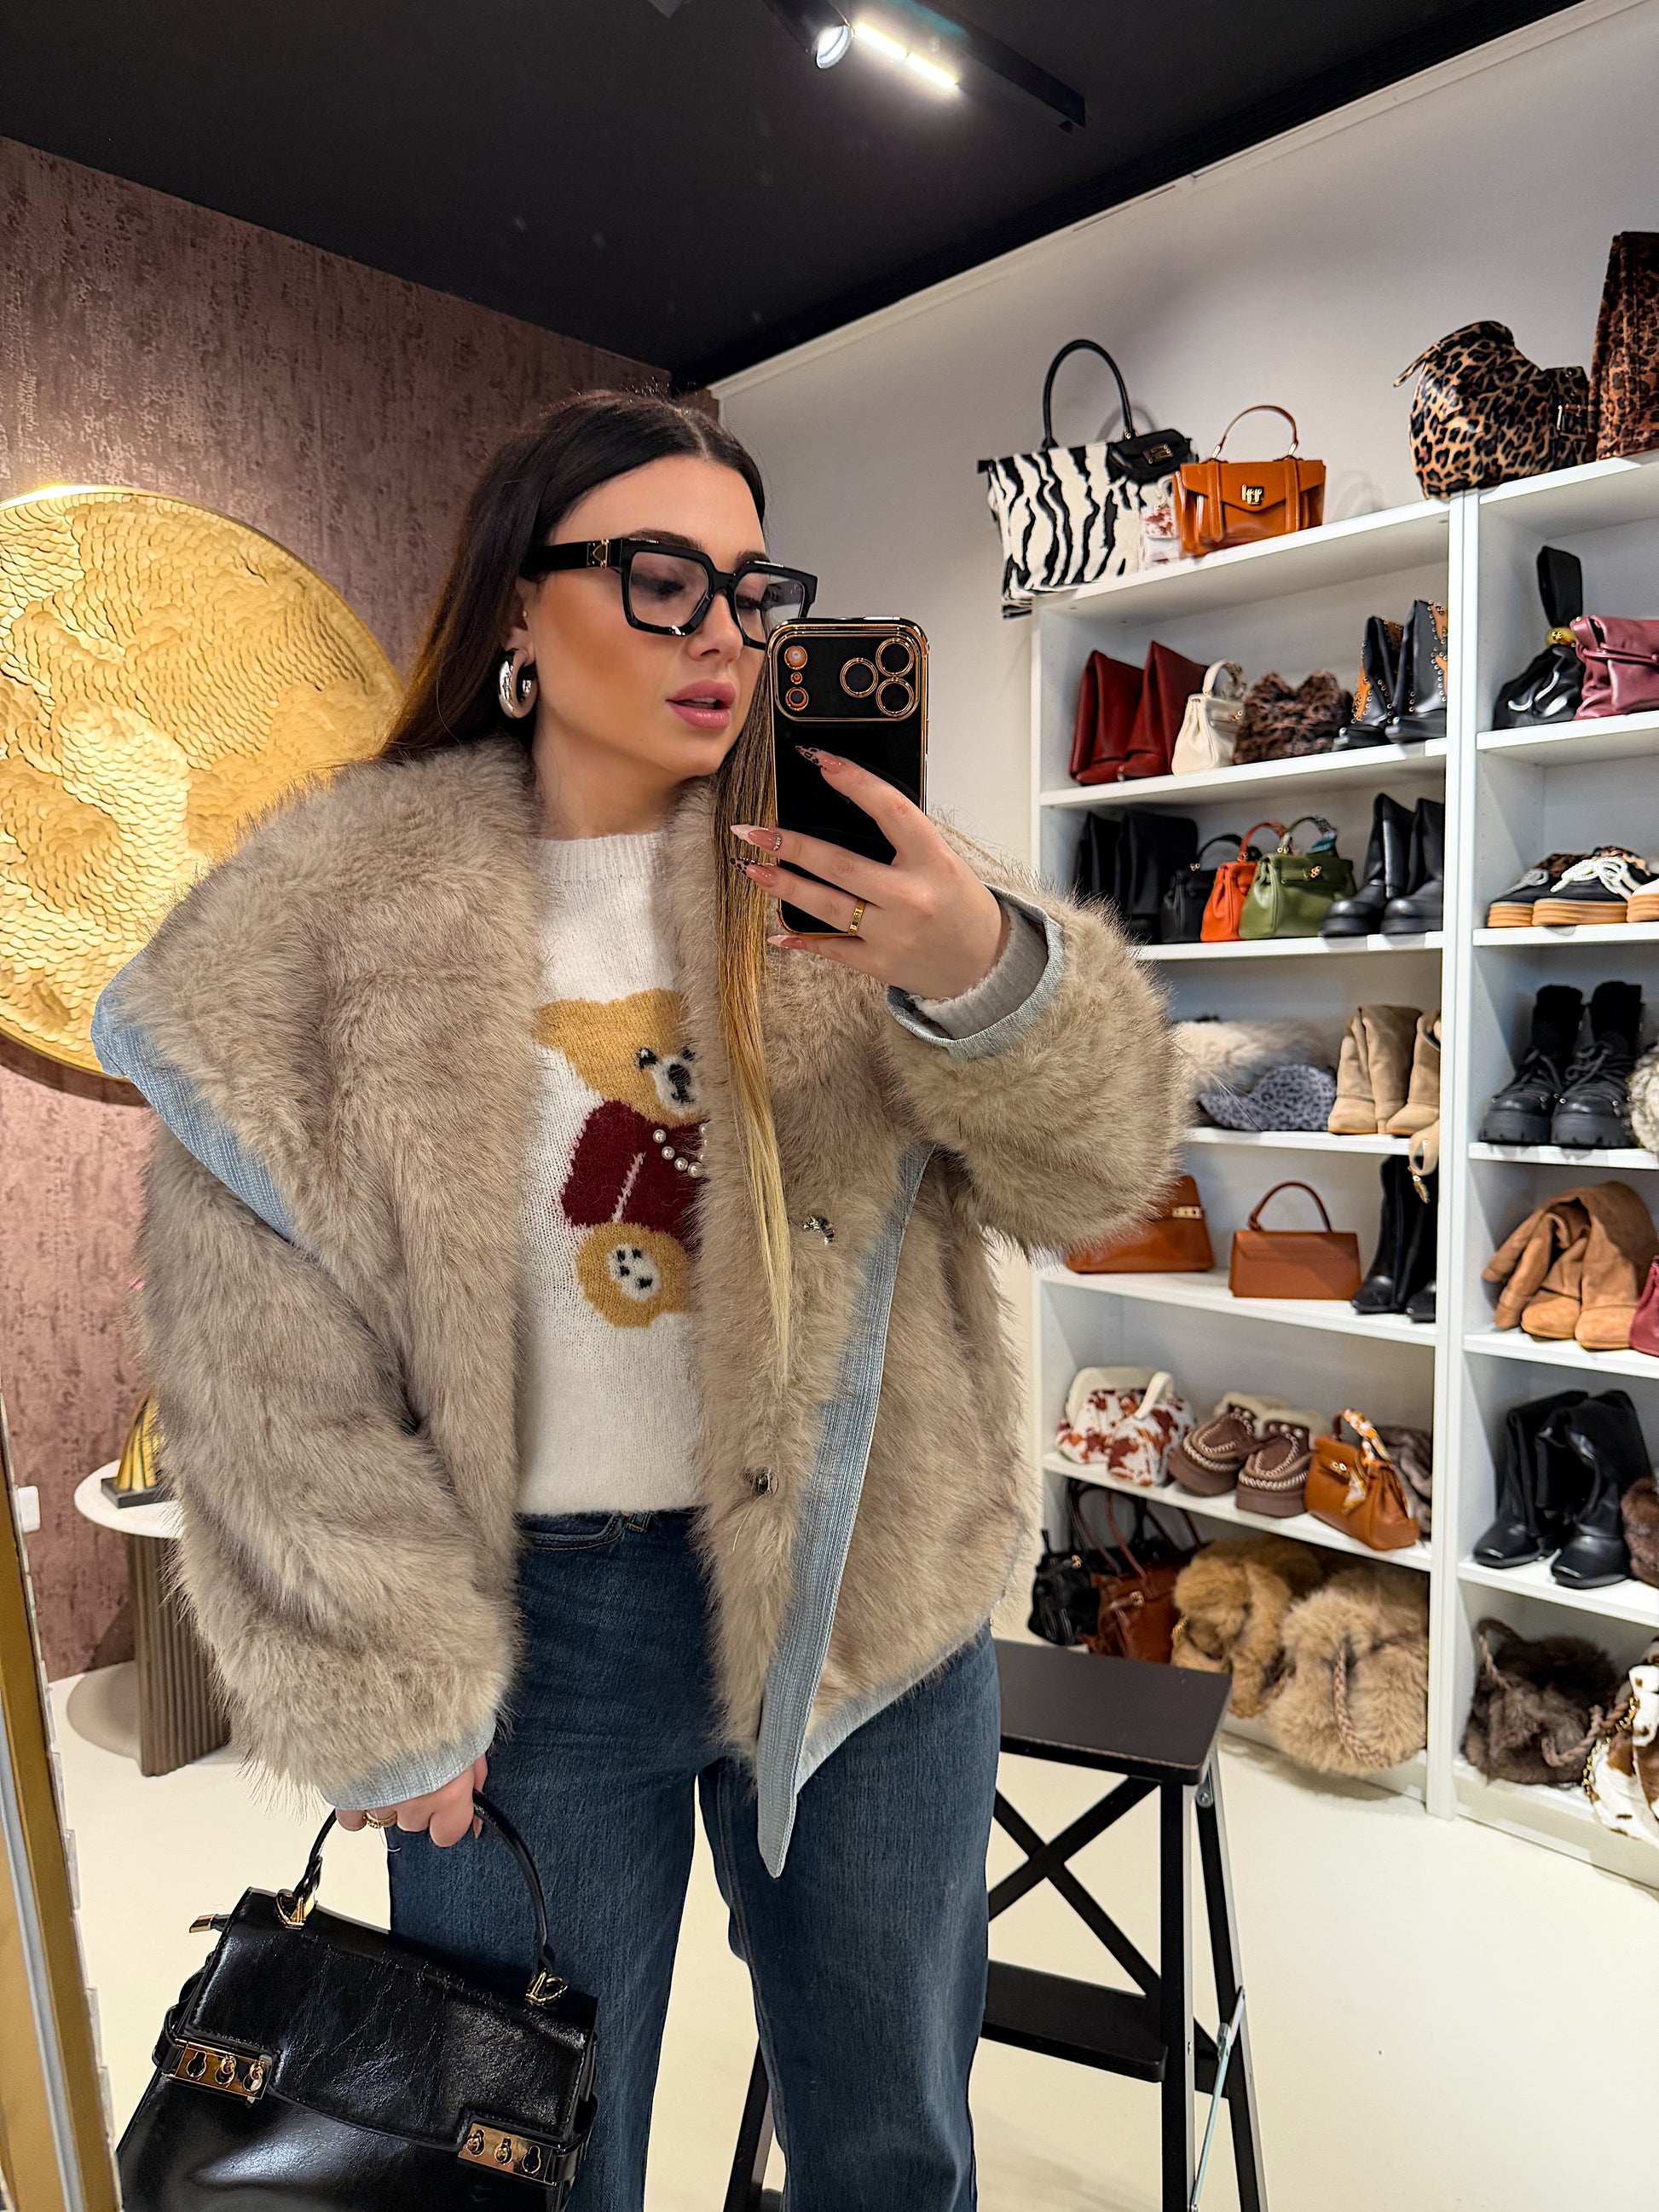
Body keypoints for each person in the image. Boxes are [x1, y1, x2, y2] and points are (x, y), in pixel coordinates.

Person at [93, 388, 1181, 2209]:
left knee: (893, 2143)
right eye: (662, 578)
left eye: (753, 591)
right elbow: (259, 1364)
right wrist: (384, 1679)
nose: (723, 635)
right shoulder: (325, 917)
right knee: (529, 2158)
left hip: (866, 1589)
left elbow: (1094, 1175)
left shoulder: (870, 878)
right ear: (519, 605)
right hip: (532, 1639)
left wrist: (985, 975)